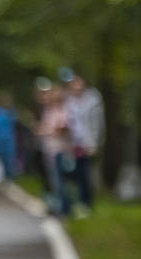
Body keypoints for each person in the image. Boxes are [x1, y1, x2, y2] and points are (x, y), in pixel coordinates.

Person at [64, 75, 104, 214]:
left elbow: (98, 124)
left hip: (86, 143)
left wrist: (94, 143)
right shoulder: (68, 103)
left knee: (84, 174)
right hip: (72, 143)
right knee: (74, 174)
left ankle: (86, 203)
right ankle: (78, 202)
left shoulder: (92, 102)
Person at [37, 84, 72, 217]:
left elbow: (61, 130)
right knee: (54, 181)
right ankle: (57, 206)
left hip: (60, 149)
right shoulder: (49, 111)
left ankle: (64, 209)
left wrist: (46, 130)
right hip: (49, 148)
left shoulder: (64, 111)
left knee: (60, 181)